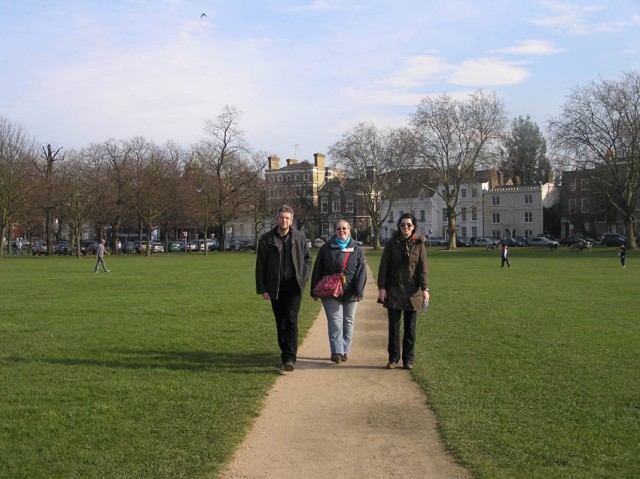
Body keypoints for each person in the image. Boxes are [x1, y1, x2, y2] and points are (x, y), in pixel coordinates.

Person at [255, 205, 312, 372]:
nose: (284, 220)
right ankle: (284, 350)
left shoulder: (299, 237)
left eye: (287, 218)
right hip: (275, 286)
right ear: (277, 219)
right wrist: (263, 288)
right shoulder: (266, 239)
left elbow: (308, 259)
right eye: (281, 217)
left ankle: (289, 357)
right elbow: (260, 267)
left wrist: (304, 275)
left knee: (291, 319)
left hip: (294, 286)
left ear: (291, 220)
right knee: (280, 321)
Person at [377, 213, 429, 370]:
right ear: (398, 227)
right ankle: (393, 358)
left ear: (413, 227)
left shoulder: (419, 245)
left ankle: (408, 360)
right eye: (403, 225)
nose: (405, 227)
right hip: (394, 289)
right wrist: (382, 288)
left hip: (413, 292)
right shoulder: (392, 243)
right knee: (394, 327)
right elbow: (384, 266)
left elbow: (423, 268)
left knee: (410, 328)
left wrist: (425, 288)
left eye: (409, 225)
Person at [310, 220, 366, 364]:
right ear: (335, 231)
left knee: (348, 321)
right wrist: (314, 291)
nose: (342, 231)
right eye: (339, 229)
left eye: (344, 229)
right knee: (335, 321)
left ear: (350, 231)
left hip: (351, 292)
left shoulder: (357, 250)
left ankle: (344, 350)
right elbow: (318, 269)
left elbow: (361, 272)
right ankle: (336, 351)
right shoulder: (326, 248)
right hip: (330, 291)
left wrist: (359, 292)